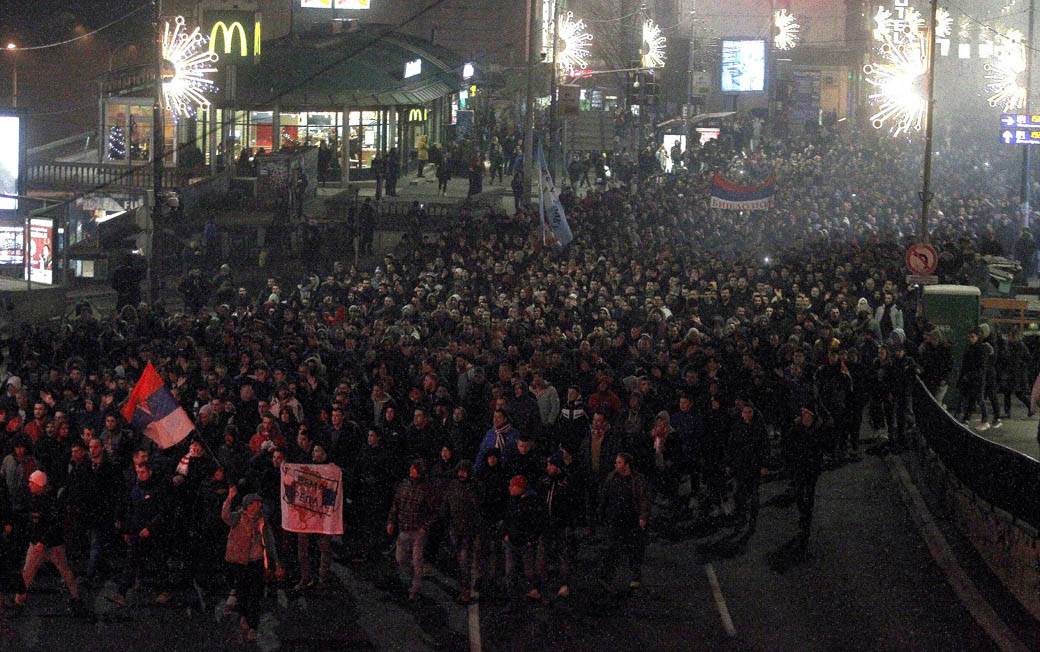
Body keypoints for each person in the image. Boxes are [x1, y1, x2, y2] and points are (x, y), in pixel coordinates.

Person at [16, 470, 86, 614]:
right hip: (42, 543)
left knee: (58, 571)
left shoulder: (48, 502)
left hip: (50, 545)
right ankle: (19, 601)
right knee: (32, 572)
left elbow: (53, 524)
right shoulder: (36, 499)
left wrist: (42, 541)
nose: (29, 485)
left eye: (31, 482)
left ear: (39, 484)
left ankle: (19, 601)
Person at [222, 487, 284, 643]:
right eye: (255, 503)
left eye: (259, 503)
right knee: (242, 592)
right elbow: (225, 516)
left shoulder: (262, 522)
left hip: (256, 561)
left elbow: (270, 542)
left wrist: (276, 562)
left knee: (255, 594)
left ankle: (252, 627)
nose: (258, 506)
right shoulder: (237, 517)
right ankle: (243, 615)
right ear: (248, 505)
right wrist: (229, 498)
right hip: (240, 562)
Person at [597, 453, 649, 590]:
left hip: (631, 519)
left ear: (627, 465)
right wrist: (601, 513)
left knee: (633, 549)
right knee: (612, 548)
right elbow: (604, 496)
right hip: (615, 518)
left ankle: (635, 576)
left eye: (619, 462)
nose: (616, 465)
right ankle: (606, 577)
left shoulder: (637, 479)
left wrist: (643, 516)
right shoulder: (612, 477)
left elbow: (643, 498)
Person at [387, 459, 435, 601]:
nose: (410, 470)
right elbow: (396, 504)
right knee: (400, 559)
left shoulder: (427, 489)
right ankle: (413, 578)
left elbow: (433, 511)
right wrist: (391, 521)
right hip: (404, 528)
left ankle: (415, 589)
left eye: (413, 468)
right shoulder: (404, 485)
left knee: (417, 560)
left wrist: (424, 526)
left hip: (418, 531)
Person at [784, 406, 826, 551]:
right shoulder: (796, 428)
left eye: (806, 413)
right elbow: (789, 445)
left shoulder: (818, 429)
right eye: (802, 413)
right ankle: (804, 512)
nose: (803, 415)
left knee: (809, 492)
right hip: (800, 466)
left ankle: (807, 517)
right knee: (799, 493)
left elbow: (822, 446)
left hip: (812, 467)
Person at [439, 460, 481, 604]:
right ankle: (463, 590)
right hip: (454, 528)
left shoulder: (473, 487)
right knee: (458, 561)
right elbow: (446, 505)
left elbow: (476, 508)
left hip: (467, 530)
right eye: (460, 471)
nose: (462, 474)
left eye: (464, 471)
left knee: (464, 562)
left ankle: (465, 593)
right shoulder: (453, 486)